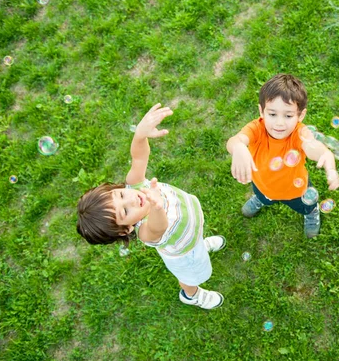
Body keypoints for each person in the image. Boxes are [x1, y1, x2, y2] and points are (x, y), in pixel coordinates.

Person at [76, 104, 226, 309]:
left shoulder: (135, 183)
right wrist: (156, 206)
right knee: (191, 276)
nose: (130, 199)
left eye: (120, 194)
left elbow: (139, 157)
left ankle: (200, 244)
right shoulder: (146, 231)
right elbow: (159, 227)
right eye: (125, 211)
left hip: (191, 235)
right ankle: (192, 295)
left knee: (197, 245)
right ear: (126, 229)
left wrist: (140, 135)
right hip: (184, 254)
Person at [226, 74, 339, 238]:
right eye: (272, 114)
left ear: (300, 115)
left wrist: (326, 155)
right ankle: (262, 200)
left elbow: (312, 146)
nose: (279, 123)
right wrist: (238, 147)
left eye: (288, 116)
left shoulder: (299, 132)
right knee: (264, 196)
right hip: (262, 184)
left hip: (295, 191)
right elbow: (234, 141)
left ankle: (311, 213)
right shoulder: (256, 128)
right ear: (261, 111)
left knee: (306, 205)